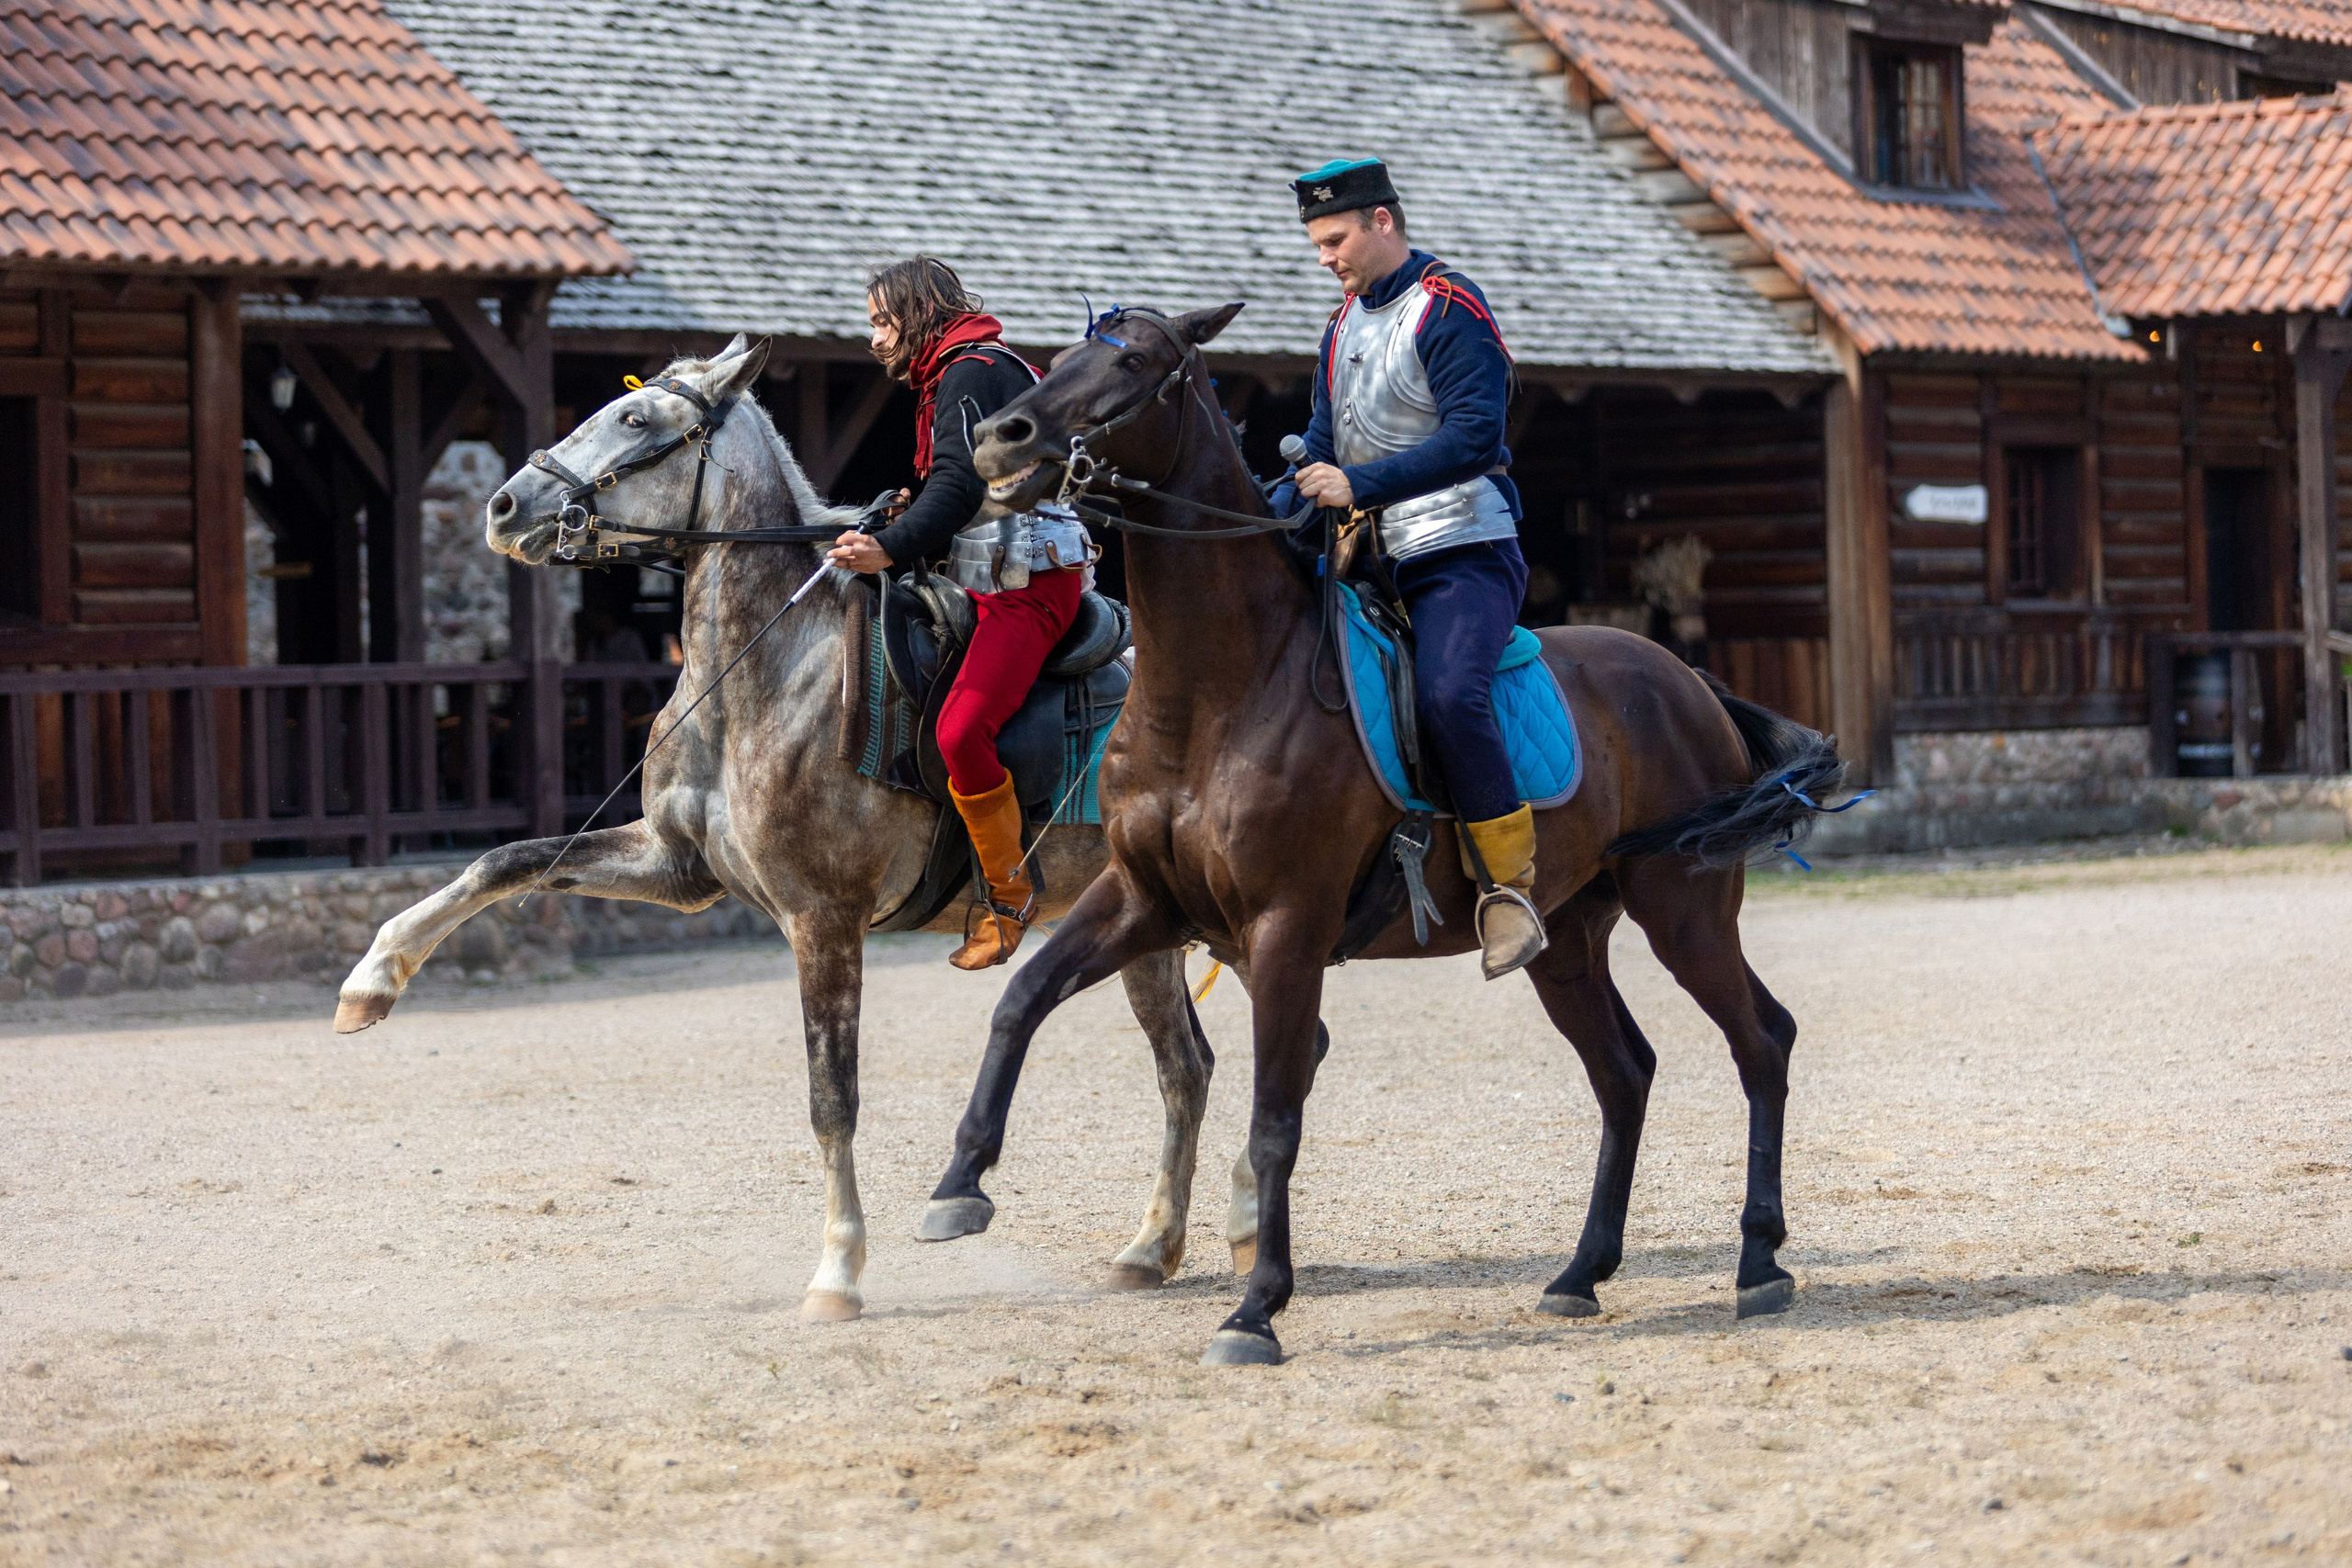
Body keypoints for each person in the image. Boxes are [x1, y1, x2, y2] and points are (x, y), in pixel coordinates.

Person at [1277, 157, 1545, 979]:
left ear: (1382, 222)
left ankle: (1511, 888)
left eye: (1335, 238)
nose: (1326, 256)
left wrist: (1359, 482)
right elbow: (1321, 451)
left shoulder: (1452, 308)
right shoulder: (1339, 326)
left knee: (1446, 694)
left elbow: (1475, 438)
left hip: (1463, 552)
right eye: (1317, 243)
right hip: (1368, 561)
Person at [825, 257, 1090, 969]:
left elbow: (956, 485)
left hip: (1028, 582)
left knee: (961, 730)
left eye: (884, 321)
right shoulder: (963, 367)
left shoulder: (969, 370)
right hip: (990, 574)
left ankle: (1010, 897)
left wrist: (887, 547)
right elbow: (968, 488)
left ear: (920, 313)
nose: (876, 338)